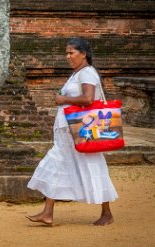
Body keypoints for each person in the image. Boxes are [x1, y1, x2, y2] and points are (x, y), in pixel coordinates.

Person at [27, 38, 117, 226]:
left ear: (83, 54)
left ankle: (106, 213)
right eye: (66, 53)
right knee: (58, 164)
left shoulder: (87, 74)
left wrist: (63, 99)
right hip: (70, 132)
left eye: (71, 53)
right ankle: (47, 212)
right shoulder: (78, 74)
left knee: (88, 164)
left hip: (80, 130)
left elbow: (88, 99)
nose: (68, 56)